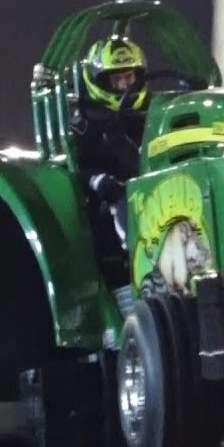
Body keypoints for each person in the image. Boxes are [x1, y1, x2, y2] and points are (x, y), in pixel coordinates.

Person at [71, 36, 150, 285]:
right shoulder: (85, 124)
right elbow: (75, 165)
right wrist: (98, 181)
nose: (126, 85)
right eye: (118, 79)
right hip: (111, 202)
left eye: (129, 77)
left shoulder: (153, 111)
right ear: (101, 82)